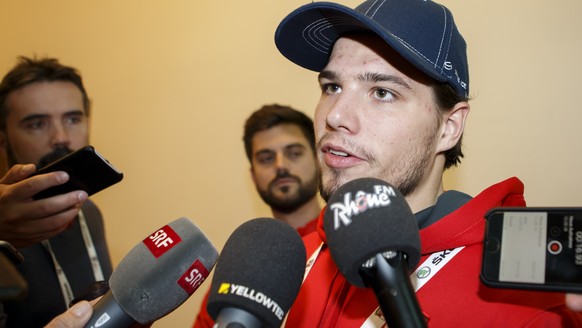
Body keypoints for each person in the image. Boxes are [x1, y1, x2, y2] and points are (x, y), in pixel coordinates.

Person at [271, 0, 582, 326]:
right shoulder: (284, 268)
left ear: (449, 128)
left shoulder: (531, 308)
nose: (335, 116)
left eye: (381, 92)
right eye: (332, 87)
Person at [0, 56, 113, 328]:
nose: (61, 137)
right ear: (2, 138)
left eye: (73, 119)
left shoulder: (89, 212)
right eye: (37, 124)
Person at [192, 104, 321, 327]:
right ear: (253, 175)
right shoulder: (240, 269)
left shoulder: (343, 250)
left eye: (294, 153)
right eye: (266, 158)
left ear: (319, 160)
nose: (281, 166)